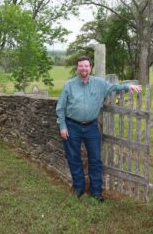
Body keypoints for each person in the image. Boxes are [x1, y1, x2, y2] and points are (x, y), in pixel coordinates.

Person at [56, 56, 142, 202]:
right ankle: (79, 188)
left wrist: (128, 86)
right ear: (77, 68)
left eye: (86, 66)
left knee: (95, 159)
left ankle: (96, 191)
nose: (84, 68)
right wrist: (63, 126)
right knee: (73, 158)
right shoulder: (69, 85)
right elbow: (60, 108)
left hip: (91, 127)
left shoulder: (99, 83)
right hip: (72, 126)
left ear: (90, 68)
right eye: (81, 66)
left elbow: (115, 87)